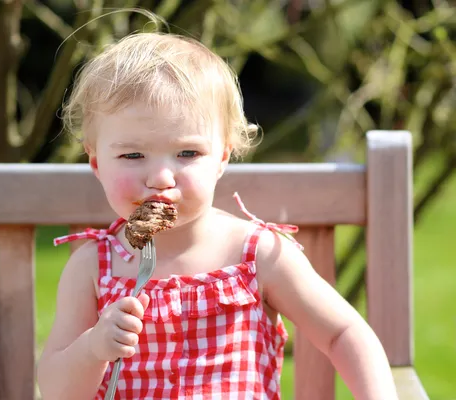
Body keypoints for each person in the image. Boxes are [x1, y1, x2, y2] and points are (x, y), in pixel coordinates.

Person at [36, 31, 398, 400]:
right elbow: (55, 390)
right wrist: (94, 348)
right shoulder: (95, 269)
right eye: (132, 155)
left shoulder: (257, 255)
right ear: (96, 163)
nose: (160, 177)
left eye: (187, 153)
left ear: (222, 157)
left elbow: (342, 333)